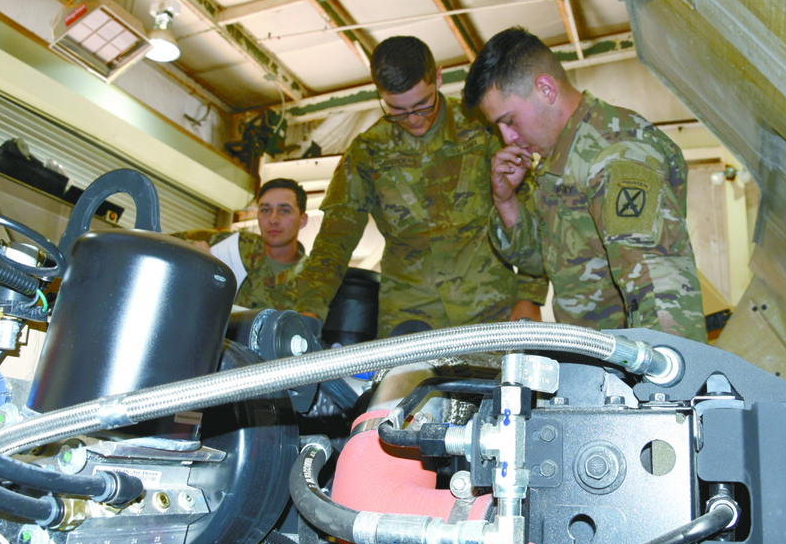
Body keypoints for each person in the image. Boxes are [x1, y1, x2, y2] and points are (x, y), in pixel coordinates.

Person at [462, 27, 707, 341]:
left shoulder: (615, 154)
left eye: (509, 121)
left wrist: (665, 383)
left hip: (629, 364)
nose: (507, 138)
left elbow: (661, 287)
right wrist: (507, 201)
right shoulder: (559, 159)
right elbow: (543, 261)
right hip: (594, 359)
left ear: (546, 89)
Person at [294, 36, 548, 337]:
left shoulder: (483, 127)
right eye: (397, 110)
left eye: (422, 105)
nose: (413, 119)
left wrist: (530, 295)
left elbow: (533, 208)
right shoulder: (368, 152)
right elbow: (334, 240)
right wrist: (309, 309)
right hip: (410, 321)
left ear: (438, 77)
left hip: (492, 312)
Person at [175, 178, 308, 310]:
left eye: (284, 211)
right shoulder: (237, 244)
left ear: (303, 220)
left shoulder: (312, 279)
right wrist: (192, 250)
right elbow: (165, 243)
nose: (273, 219)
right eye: (265, 210)